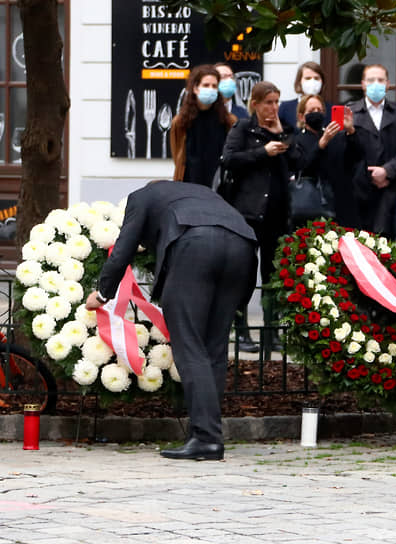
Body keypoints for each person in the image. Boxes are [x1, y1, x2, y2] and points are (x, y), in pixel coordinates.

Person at [85, 181, 257, 460]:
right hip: (243, 248)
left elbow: (124, 248)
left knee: (189, 345)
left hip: (196, 248)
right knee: (213, 349)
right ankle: (207, 433)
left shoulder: (141, 197)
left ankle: (206, 438)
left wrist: (103, 293)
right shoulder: (199, 194)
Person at [222, 81, 297, 354]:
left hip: (277, 214)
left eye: (277, 102)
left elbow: (299, 160)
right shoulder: (243, 128)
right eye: (268, 102)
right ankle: (241, 331)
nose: (273, 108)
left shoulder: (284, 128)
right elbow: (229, 159)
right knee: (244, 273)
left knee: (273, 275)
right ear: (255, 104)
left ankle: (271, 331)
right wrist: (261, 152)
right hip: (247, 213)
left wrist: (281, 135)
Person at [348, 63, 396, 236]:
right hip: (358, 191)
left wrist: (386, 171)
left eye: (380, 80)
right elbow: (344, 152)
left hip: (390, 189)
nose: (376, 84)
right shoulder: (350, 113)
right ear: (362, 84)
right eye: (371, 80)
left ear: (388, 84)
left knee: (386, 243)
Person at [292, 95, 365, 229]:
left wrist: (351, 131)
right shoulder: (297, 141)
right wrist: (321, 144)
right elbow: (303, 167)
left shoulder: (336, 136)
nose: (316, 113)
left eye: (319, 110)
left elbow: (357, 156)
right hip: (314, 205)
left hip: (341, 202)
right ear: (302, 117)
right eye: (312, 110)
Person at [170, 64, 237, 184]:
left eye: (214, 86)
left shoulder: (229, 121)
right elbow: (178, 157)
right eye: (206, 85)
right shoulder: (180, 122)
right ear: (195, 88)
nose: (210, 89)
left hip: (219, 187)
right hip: (189, 186)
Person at [278, 61, 329, 129]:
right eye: (308, 78)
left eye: (316, 78)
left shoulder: (330, 109)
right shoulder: (285, 108)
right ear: (299, 82)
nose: (312, 82)